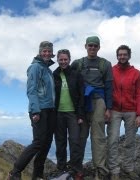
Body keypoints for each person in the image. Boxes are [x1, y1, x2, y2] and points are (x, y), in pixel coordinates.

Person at [8, 41, 56, 180]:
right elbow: (31, 90)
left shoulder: (47, 69)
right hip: (39, 110)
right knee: (38, 142)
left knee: (46, 143)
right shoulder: (35, 67)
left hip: (50, 110)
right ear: (40, 52)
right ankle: (15, 171)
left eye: (49, 51)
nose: (46, 53)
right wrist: (35, 111)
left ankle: (38, 175)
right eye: (44, 51)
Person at [71, 36, 113, 180]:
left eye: (95, 46)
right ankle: (77, 169)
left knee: (98, 137)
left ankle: (100, 170)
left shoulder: (105, 64)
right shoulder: (77, 63)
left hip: (99, 102)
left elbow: (108, 87)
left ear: (99, 47)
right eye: (90, 45)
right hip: (82, 103)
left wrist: (109, 108)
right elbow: (70, 81)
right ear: (85, 46)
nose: (92, 48)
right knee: (80, 137)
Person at [107, 45, 140, 180]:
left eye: (124, 54)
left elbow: (139, 94)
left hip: (131, 111)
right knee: (112, 140)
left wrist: (139, 114)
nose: (122, 57)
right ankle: (114, 170)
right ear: (117, 56)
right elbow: (107, 91)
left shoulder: (136, 73)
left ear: (129, 56)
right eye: (120, 54)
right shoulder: (111, 71)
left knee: (130, 141)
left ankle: (128, 168)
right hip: (115, 110)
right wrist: (107, 109)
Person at [53, 49, 85, 180]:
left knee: (74, 141)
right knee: (60, 142)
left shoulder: (76, 75)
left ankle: (76, 169)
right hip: (58, 114)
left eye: (65, 59)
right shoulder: (54, 74)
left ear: (69, 60)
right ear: (57, 60)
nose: (63, 61)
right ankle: (61, 168)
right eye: (61, 59)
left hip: (73, 113)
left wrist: (80, 115)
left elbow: (82, 96)